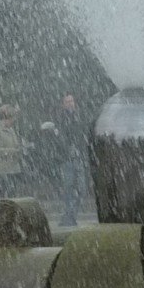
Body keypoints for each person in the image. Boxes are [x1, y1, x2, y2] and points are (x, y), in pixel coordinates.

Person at [51, 93, 87, 227]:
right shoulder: (60, 119)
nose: (70, 103)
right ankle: (69, 216)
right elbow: (60, 139)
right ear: (63, 104)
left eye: (71, 101)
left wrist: (81, 149)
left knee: (81, 188)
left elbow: (83, 135)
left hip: (79, 157)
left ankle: (70, 215)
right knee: (69, 188)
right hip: (67, 159)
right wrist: (68, 150)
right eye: (67, 102)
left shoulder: (80, 117)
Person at [0, 104, 24, 200]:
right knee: (4, 198)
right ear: (6, 118)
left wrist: (21, 147)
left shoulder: (11, 129)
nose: (13, 121)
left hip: (14, 169)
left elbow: (15, 145)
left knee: (14, 197)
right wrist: (13, 151)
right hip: (2, 170)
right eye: (12, 119)